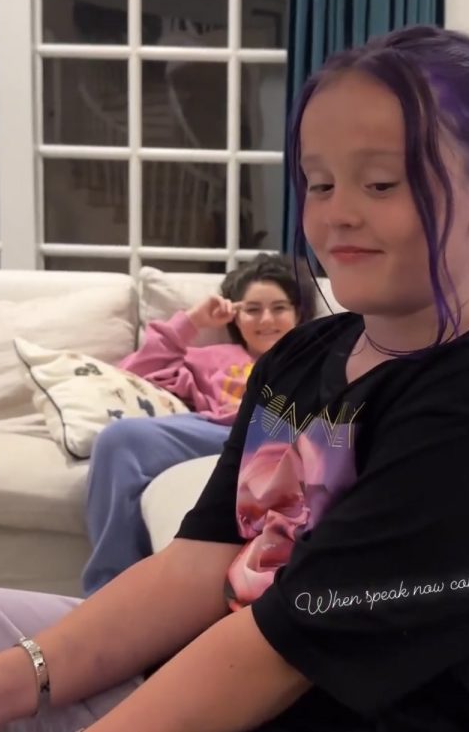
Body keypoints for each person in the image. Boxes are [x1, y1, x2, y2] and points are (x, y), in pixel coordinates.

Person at [0, 25, 469, 732]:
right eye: (320, 183)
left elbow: (279, 652)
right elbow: (201, 561)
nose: (339, 213)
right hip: (252, 656)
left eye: (381, 182)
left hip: (371, 703)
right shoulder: (306, 354)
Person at [82, 252, 317, 595]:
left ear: (298, 313)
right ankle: (109, 588)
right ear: (236, 317)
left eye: (279, 308)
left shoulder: (315, 356)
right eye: (252, 309)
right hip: (217, 432)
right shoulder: (211, 358)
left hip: (284, 434)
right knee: (118, 438)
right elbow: (130, 377)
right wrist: (193, 321)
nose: (266, 319)